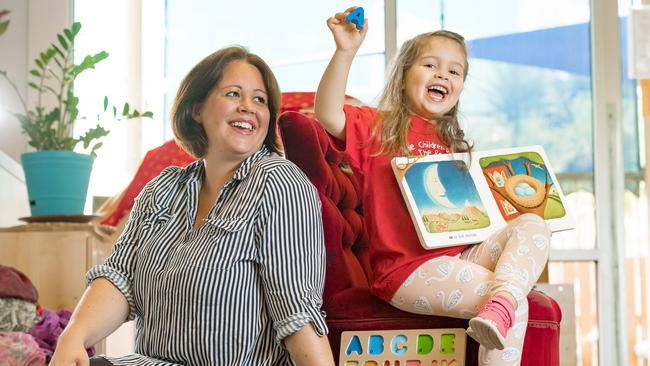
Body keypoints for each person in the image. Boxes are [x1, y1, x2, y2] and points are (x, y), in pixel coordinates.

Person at [50, 46, 335, 366]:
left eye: (260, 100)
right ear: (197, 108)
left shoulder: (280, 183)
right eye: (233, 94)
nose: (248, 108)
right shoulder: (162, 188)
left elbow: (298, 312)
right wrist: (73, 336)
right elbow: (121, 277)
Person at [314, 7, 551, 365]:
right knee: (512, 302)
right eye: (430, 65)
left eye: (454, 71)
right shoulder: (379, 127)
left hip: (456, 255)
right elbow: (328, 113)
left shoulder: (452, 143)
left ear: (459, 89)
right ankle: (504, 302)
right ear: (403, 74)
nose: (443, 73)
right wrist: (345, 51)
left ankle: (503, 299)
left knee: (535, 224)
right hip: (406, 271)